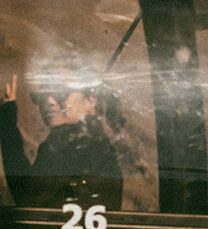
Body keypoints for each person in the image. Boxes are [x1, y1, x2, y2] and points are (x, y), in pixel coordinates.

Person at [1, 70, 123, 211]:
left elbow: (28, 196)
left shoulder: (83, 148)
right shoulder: (80, 142)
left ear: (91, 101)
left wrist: (7, 124)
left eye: (61, 93)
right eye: (42, 95)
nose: (49, 101)